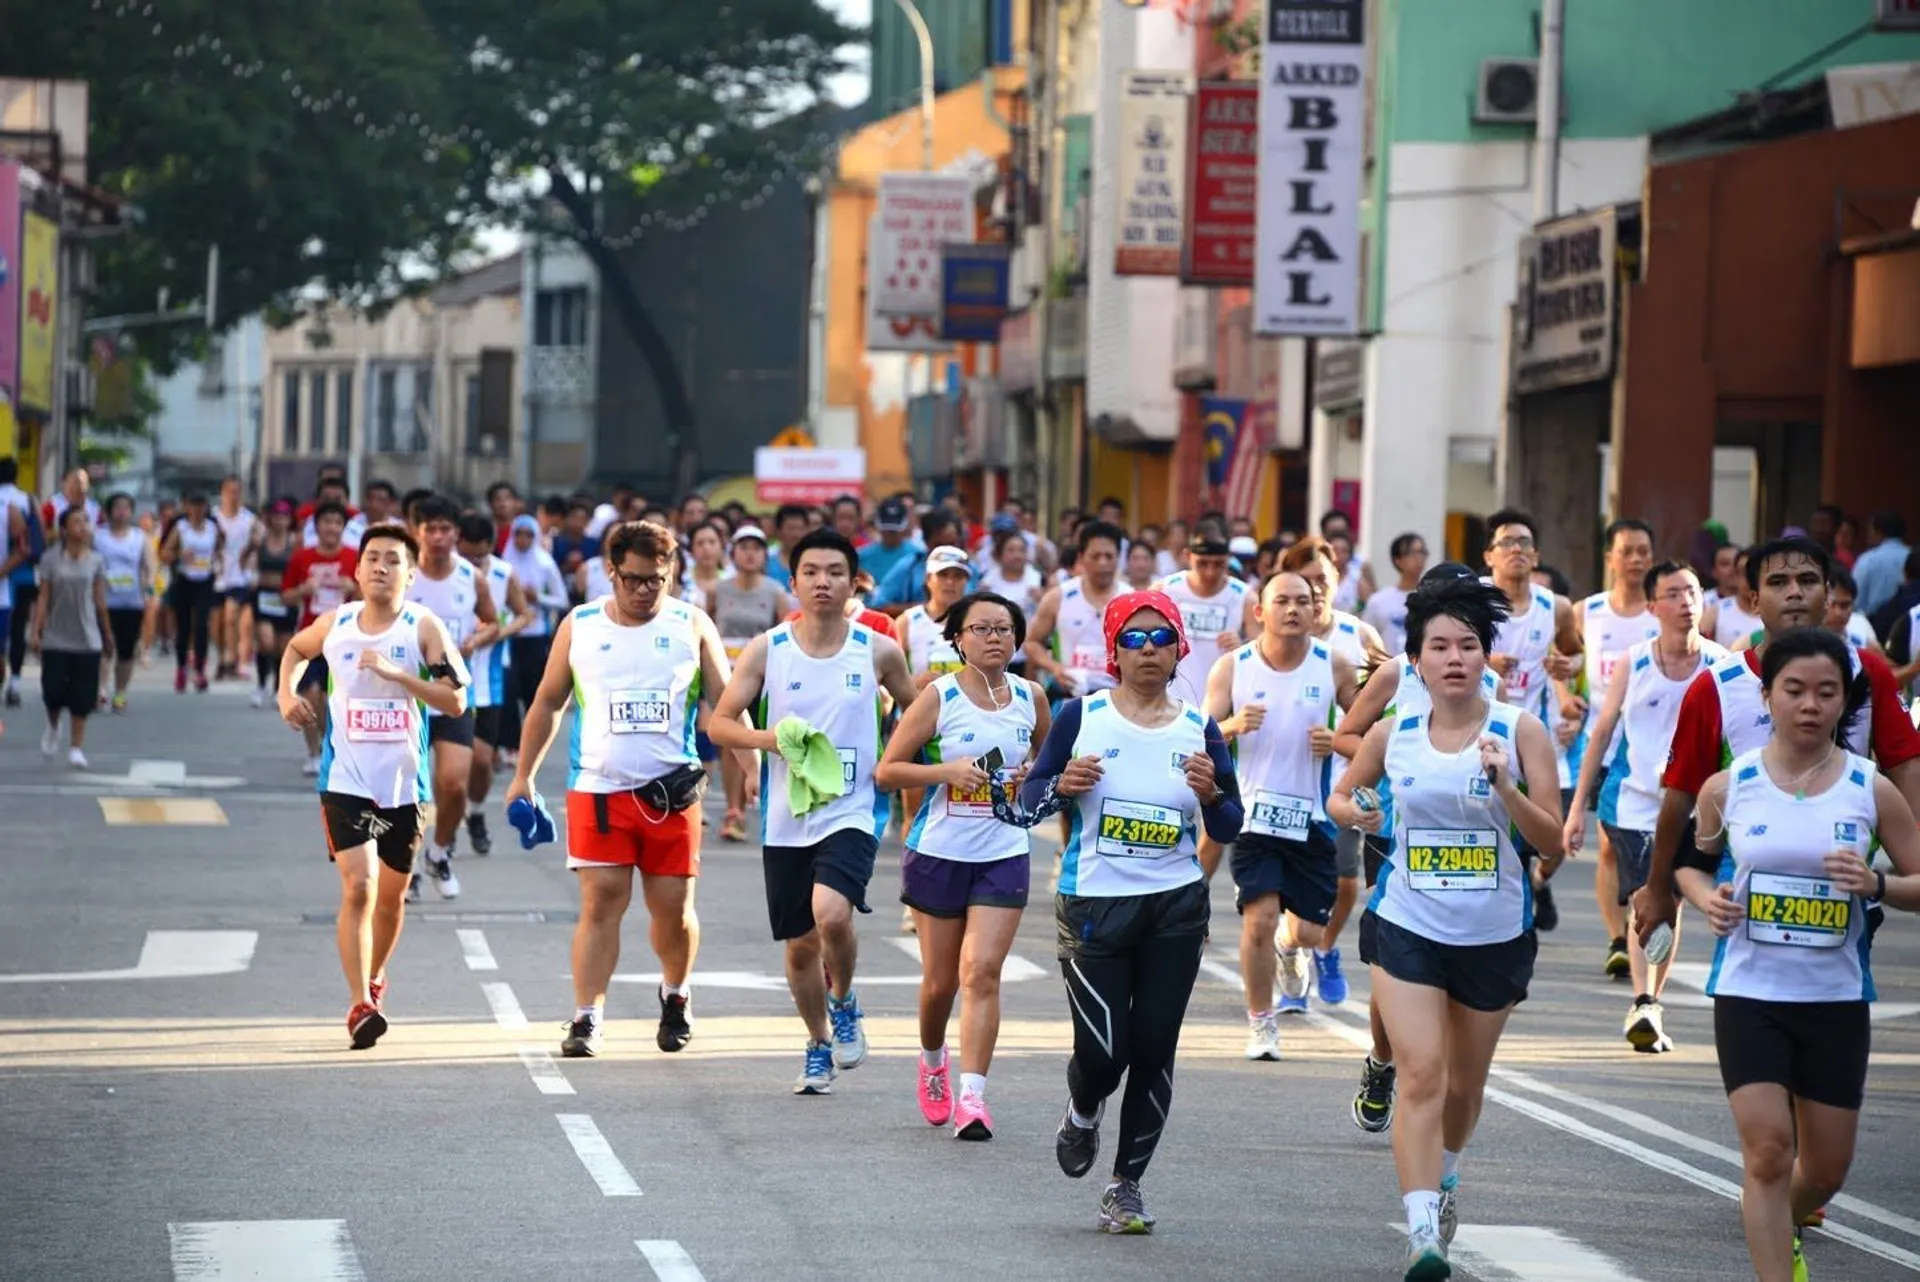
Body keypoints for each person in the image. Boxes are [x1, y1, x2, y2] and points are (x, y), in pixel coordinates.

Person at [1327, 575, 1564, 1280]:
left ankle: (1446, 1174)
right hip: (1409, 923)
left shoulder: (1521, 732)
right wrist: (1360, 813)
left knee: (1463, 1086)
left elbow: (1551, 840)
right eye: (1440, 646)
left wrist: (1506, 788)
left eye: (1468, 645)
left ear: (1487, 655)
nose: (1455, 658)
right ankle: (1423, 1231)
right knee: (1423, 1072)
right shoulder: (1391, 733)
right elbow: (1343, 797)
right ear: (1417, 661)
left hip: (1494, 934)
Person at [1680, 627, 1920, 1282]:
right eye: (1795, 690)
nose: (1810, 705)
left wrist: (1876, 884)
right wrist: (1707, 897)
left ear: (1846, 702)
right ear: (1768, 696)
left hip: (1835, 1000)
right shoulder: (1732, 786)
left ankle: (1785, 1217)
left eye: (1826, 692)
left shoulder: (1870, 789)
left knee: (1827, 1169)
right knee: (1766, 1152)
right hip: (1751, 994)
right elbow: (1690, 864)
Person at [1016, 589, 1242, 1235]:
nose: (1148, 650)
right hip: (1094, 904)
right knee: (1105, 1049)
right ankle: (1084, 1109)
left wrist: (1214, 791)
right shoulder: (1079, 715)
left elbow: (1229, 822)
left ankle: (1126, 1186)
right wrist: (1059, 786)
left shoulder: (1198, 727)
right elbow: (1032, 796)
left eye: (1160, 639)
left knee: (1154, 1047)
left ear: (1179, 650)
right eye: (1134, 640)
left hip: (1174, 905)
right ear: (1114, 651)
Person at [509, 520, 739, 1058]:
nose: (643, 590)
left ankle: (676, 993)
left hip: (672, 794)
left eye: (655, 580)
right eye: (632, 578)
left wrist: (753, 770)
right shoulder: (581, 624)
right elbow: (547, 702)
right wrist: (522, 776)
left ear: (671, 574)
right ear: (610, 572)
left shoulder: (691, 623)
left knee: (673, 911)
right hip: (598, 789)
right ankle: (587, 1015)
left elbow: (728, 707)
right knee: (601, 902)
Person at [707, 528, 919, 1093]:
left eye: (834, 572)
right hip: (786, 814)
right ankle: (818, 1042)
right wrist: (769, 740)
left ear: (854, 581)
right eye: (811, 572)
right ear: (794, 581)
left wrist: (910, 761)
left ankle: (845, 1000)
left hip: (852, 809)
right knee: (800, 945)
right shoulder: (769, 649)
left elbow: (918, 711)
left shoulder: (877, 650)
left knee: (831, 914)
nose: (823, 581)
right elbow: (721, 722)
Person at [1635, 537, 1920, 952]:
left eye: (1808, 580)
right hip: (1747, 887)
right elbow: (1680, 798)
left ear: (1828, 595)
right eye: (1779, 582)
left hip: (1843, 885)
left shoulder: (1867, 671)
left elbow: (1906, 767)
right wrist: (1658, 888)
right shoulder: (1716, 687)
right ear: (1753, 600)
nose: (1794, 592)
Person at [1329, 563, 1505, 1136]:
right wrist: (1394, 757)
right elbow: (1346, 735)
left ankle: (1430, 1075)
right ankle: (1384, 1061)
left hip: (1464, 839)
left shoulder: (1487, 680)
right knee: (1394, 961)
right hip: (1395, 831)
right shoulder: (1398, 672)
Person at [278, 523, 469, 1050]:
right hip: (345, 778)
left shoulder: (422, 627)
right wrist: (284, 695)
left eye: (393, 560)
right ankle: (361, 1002)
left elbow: (456, 701)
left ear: (410, 575)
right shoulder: (336, 624)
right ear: (356, 571)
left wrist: (398, 675)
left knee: (392, 899)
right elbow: (295, 649)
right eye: (373, 559)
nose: (381, 567)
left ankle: (376, 975)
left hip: (405, 785)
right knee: (357, 887)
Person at [876, 591, 1048, 1138]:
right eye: (980, 628)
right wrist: (946, 771)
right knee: (940, 983)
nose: (993, 637)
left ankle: (973, 1098)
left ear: (1018, 639)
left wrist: (1031, 779)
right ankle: (932, 1061)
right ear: (958, 639)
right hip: (940, 853)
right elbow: (889, 771)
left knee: (982, 972)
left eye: (1003, 628)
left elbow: (1048, 764)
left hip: (1004, 852)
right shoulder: (938, 697)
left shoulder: (1032, 696)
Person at [1564, 559, 1725, 1053]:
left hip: (1694, 808)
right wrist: (1575, 813)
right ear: (1653, 607)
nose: (1686, 603)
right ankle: (1642, 999)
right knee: (1645, 899)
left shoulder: (1721, 665)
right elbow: (1603, 731)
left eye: (1693, 592)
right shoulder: (1634, 661)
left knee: (1669, 904)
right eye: (1673, 594)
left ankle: (1650, 1002)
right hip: (1633, 803)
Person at [1206, 570, 1358, 1058]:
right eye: (1282, 601)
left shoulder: (1334, 666)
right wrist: (1232, 724)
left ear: (1317, 611)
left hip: (1312, 817)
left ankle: (1291, 950)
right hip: (1253, 817)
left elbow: (1364, 735)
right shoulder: (1233, 667)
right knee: (1260, 919)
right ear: (1260, 612)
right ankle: (1261, 1021)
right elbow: (1201, 734)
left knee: (1309, 931)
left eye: (1304, 601)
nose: (1293, 610)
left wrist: (1335, 741)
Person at [1273, 535, 1389, 1008]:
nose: (1316, 590)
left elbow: (1384, 707)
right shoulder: (1274, 637)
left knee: (1344, 883)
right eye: (1306, 581)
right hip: (1282, 782)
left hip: (1341, 780)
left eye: (1324, 579)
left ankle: (1322, 946)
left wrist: (1344, 736)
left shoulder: (1359, 637)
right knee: (1282, 890)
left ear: (1339, 581)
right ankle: (1291, 947)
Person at [1565, 517, 1662, 979]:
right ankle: (1616, 938)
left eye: (1644, 550)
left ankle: (1638, 921)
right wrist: (1567, 695)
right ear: (1611, 559)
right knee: (1606, 847)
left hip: (1651, 748)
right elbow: (1561, 662)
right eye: (1627, 551)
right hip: (1601, 744)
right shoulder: (1588, 612)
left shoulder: (1662, 613)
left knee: (1641, 847)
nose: (1637, 559)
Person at [404, 496, 500, 891]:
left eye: (446, 529)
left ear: (456, 534)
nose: (439, 536)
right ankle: (404, 867)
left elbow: (494, 622)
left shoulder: (471, 578)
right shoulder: (404, 576)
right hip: (408, 695)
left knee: (453, 783)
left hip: (455, 693)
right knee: (407, 789)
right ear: (417, 532)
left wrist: (477, 639)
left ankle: (439, 852)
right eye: (431, 528)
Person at [709, 525, 792, 842]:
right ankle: (734, 811)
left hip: (763, 676)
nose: (750, 553)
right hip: (726, 675)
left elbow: (785, 635)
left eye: (756, 548)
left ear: (764, 555)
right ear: (732, 553)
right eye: (743, 547)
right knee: (732, 742)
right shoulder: (719, 589)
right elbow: (709, 627)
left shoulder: (775, 591)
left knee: (759, 739)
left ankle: (764, 801)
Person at [459, 515, 534, 857]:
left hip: (488, 678)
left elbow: (524, 614)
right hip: (446, 677)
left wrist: (498, 632)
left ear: (490, 547)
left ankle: (475, 813)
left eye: (479, 556)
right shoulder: (448, 573)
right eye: (467, 554)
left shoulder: (504, 574)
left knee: (482, 760)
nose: (473, 562)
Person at [31, 507, 112, 767]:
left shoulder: (96, 560)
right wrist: (36, 630)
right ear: (64, 529)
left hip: (87, 637)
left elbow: (100, 601)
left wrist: (107, 634)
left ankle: (76, 747)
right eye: (76, 522)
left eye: (85, 521)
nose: (83, 526)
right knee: (53, 692)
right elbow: (43, 597)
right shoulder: (50, 559)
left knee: (82, 697)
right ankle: (53, 726)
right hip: (56, 636)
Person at [282, 501, 359, 773]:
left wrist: (354, 589)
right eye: (326, 522)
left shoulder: (354, 557)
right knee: (310, 694)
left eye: (337, 523)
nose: (331, 528)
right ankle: (313, 752)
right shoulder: (302, 558)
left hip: (345, 639)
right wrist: (304, 589)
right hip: (310, 636)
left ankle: (333, 746)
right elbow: (286, 595)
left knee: (333, 700)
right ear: (317, 526)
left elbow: (370, 598)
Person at [1025, 520, 1127, 701]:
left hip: (1118, 697)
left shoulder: (1130, 598)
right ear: (1081, 557)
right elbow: (1031, 643)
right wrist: (1056, 668)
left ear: (1118, 558)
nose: (1102, 563)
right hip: (1072, 696)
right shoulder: (1059, 597)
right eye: (1095, 556)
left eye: (1109, 556)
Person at [1158, 535, 1256, 707]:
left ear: (1228, 560)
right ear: (1187, 556)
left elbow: (1263, 653)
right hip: (1170, 697)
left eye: (1218, 564)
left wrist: (1242, 648)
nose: (1210, 572)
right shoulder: (1164, 589)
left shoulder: (1245, 597)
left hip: (1222, 700)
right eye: (1202, 563)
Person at [160, 491, 224, 693]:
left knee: (202, 625)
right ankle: (181, 668)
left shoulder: (213, 528)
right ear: (187, 508)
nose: (197, 511)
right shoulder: (181, 528)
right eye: (193, 506)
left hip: (205, 581)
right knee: (184, 626)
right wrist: (179, 555)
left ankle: (200, 670)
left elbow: (220, 548)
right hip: (184, 581)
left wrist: (218, 562)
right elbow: (164, 553)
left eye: (201, 506)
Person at [96, 494, 154, 713]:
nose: (121, 512)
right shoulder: (98, 537)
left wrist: (148, 590)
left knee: (126, 651)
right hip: (104, 601)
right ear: (109, 511)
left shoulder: (139, 538)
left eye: (126, 508)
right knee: (103, 647)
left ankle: (120, 692)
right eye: (117, 507)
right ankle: (101, 690)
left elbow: (149, 567)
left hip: (131, 602)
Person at [245, 499, 300, 709]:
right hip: (264, 595)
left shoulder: (295, 541)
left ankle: (279, 687)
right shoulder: (261, 540)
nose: (280, 521)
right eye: (276, 516)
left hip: (285, 596)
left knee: (282, 646)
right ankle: (260, 685)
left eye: (284, 517)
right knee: (266, 642)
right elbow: (245, 559)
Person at [212, 474, 257, 681]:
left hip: (242, 578)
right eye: (229, 491)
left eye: (237, 491)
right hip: (218, 577)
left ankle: (238, 660)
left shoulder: (249, 520)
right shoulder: (213, 518)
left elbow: (257, 546)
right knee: (218, 622)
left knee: (237, 620)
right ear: (222, 493)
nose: (233, 496)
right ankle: (223, 658)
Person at [1363, 534, 1429, 656]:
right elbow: (1365, 642)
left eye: (1422, 552)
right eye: (1412, 552)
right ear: (1397, 560)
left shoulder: (1431, 598)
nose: (1418, 558)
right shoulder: (1378, 601)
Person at [1849, 511, 1909, 619]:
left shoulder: (1868, 559)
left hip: (1873, 624)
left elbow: (1854, 597)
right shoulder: (1912, 556)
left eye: (1870, 530)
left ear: (1878, 532)